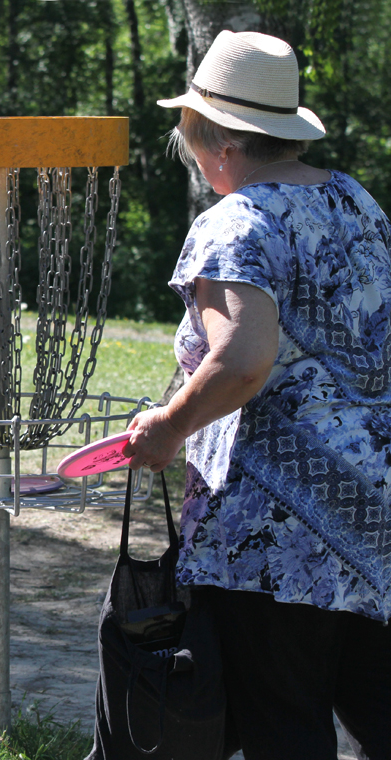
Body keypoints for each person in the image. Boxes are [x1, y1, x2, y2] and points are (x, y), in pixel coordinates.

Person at [123, 30, 391, 759]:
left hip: (277, 528)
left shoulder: (236, 222)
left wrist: (170, 427)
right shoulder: (355, 201)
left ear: (212, 140)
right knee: (378, 708)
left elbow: (244, 361)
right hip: (376, 510)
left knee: (284, 725)